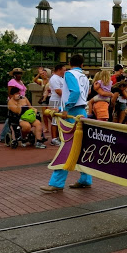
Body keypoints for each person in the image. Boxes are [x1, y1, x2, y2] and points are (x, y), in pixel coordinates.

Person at [40, 54, 92, 192]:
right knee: (81, 147)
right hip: (82, 112)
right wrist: (63, 107)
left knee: (67, 146)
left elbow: (74, 92)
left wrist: (66, 108)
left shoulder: (69, 74)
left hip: (72, 113)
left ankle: (56, 183)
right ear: (82, 64)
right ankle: (86, 179)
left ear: (70, 63)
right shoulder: (85, 77)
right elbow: (83, 93)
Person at [48, 63, 66, 146]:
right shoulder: (55, 78)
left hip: (60, 101)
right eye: (64, 70)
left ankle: (58, 136)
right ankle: (54, 139)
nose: (65, 72)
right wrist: (68, 95)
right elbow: (58, 91)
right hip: (56, 100)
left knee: (59, 119)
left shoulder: (60, 78)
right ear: (59, 70)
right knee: (55, 119)